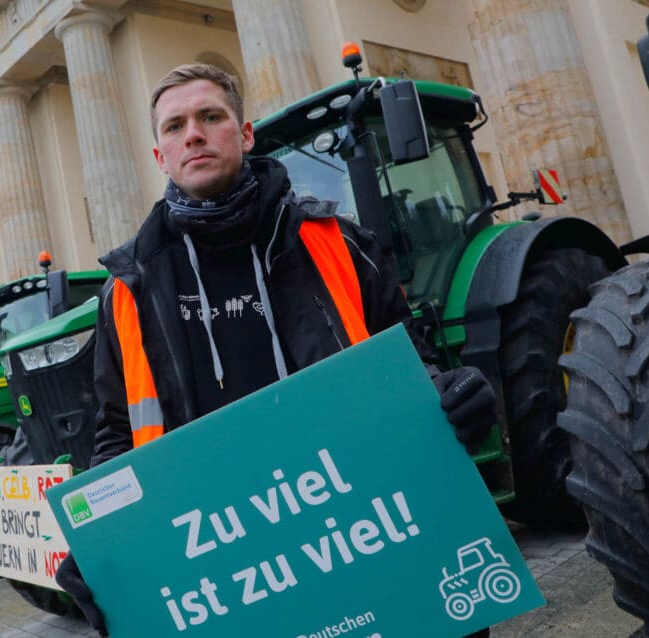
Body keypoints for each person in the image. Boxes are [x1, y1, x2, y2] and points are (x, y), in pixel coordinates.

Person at [56, 63, 496, 637]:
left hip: (360, 526)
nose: (194, 133)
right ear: (160, 155)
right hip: (225, 563)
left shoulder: (337, 243)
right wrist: (103, 545)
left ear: (244, 134)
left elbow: (410, 362)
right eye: (175, 126)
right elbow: (118, 429)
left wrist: (452, 396)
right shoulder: (127, 291)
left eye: (211, 117)